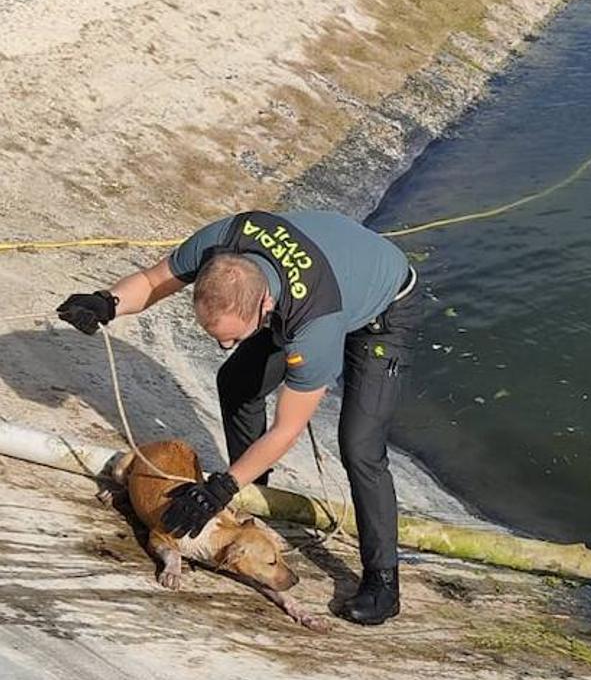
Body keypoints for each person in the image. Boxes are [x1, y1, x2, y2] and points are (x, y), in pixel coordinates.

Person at [56, 210, 418, 625]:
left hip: (380, 312)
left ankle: (384, 583)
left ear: (265, 305)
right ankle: (252, 505)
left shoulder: (313, 326)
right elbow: (155, 281)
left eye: (232, 335)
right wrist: (107, 302)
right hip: (314, 284)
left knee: (360, 445)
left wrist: (220, 487)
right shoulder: (218, 242)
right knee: (237, 382)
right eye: (215, 335)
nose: (224, 344)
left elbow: (288, 430)